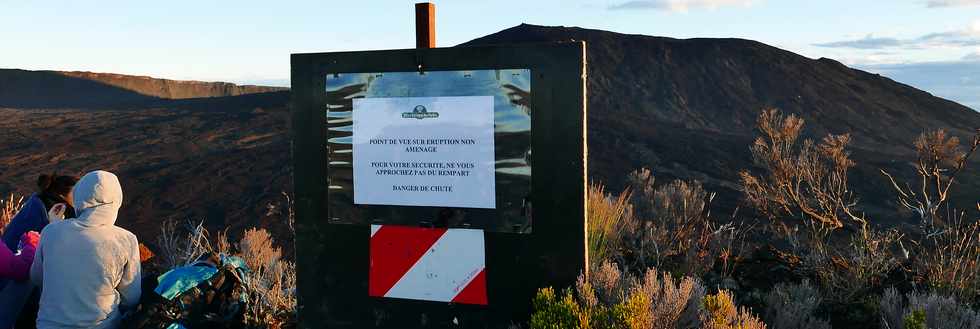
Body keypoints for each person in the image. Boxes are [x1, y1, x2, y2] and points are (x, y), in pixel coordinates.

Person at [30, 171, 141, 329]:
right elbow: (131, 299)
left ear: (80, 199)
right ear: (117, 201)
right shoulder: (126, 240)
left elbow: (36, 278)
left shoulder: (50, 231)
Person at [0, 174, 79, 329]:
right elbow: (21, 269)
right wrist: (32, 243)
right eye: (76, 195)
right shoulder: (48, 214)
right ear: (62, 196)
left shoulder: (36, 206)